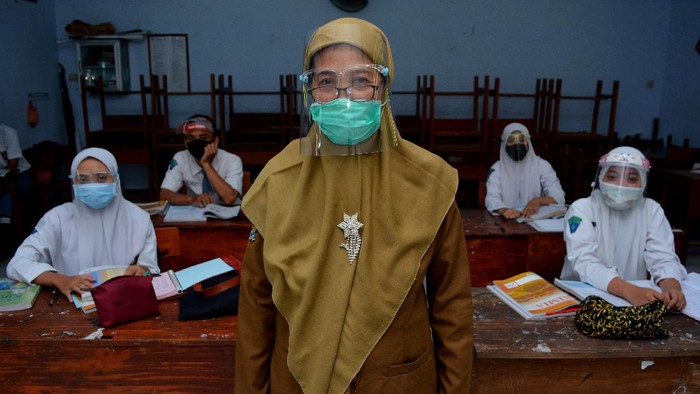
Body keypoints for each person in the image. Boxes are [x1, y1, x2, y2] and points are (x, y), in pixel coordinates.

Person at [235, 18, 473, 393]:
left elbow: (452, 310)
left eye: (361, 80)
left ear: (384, 87)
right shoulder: (279, 180)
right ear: (308, 90)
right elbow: (256, 307)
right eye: (326, 81)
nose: (344, 96)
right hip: (297, 380)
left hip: (397, 380)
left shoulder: (430, 183)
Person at [6, 147, 159, 300]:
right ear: (73, 182)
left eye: (101, 178)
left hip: (124, 304)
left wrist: (142, 271)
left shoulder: (139, 219)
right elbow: (18, 263)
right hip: (71, 304)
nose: (92, 186)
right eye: (83, 180)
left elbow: (150, 270)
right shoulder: (57, 218)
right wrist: (62, 280)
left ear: (116, 179)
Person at [560, 146, 687, 311]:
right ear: (601, 177)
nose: (621, 185)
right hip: (580, 298)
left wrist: (672, 287)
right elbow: (584, 262)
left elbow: (663, 257)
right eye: (612, 177)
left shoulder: (651, 210)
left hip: (634, 301)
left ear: (643, 182)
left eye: (632, 179)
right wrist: (629, 290)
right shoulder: (580, 209)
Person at [484, 122, 565, 219]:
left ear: (528, 143)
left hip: (535, 219)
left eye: (522, 140)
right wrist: (504, 210)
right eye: (511, 140)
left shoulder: (542, 165)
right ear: (504, 144)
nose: (517, 144)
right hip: (507, 220)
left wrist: (538, 201)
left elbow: (559, 196)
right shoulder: (496, 169)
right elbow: (491, 198)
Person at [159, 114, 243, 207]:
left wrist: (206, 164)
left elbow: (229, 199)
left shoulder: (232, 160)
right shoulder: (181, 158)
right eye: (191, 138)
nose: (197, 142)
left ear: (215, 141)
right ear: (186, 142)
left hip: (229, 216)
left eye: (203, 137)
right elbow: (164, 194)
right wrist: (191, 199)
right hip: (196, 215)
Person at [0, 124, 32, 222]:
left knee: (6, 187)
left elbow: (12, 165)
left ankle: (5, 223)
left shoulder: (8, 133)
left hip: (20, 175)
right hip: (2, 178)